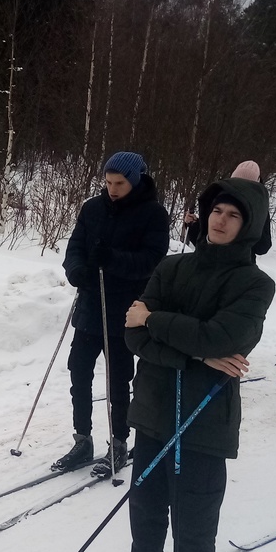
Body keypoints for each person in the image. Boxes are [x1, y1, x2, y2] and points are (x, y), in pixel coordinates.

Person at [99, 177, 274, 552]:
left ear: (249, 226)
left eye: (234, 215)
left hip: (203, 418)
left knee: (195, 516)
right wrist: (196, 350)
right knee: (147, 504)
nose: (221, 220)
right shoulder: (171, 266)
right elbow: (132, 336)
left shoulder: (255, 283)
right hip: (155, 407)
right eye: (217, 210)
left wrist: (157, 324)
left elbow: (224, 336)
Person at [52, 151, 168, 478]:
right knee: (79, 371)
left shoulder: (153, 214)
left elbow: (151, 260)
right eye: (108, 182)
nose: (112, 188)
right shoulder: (92, 208)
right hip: (91, 303)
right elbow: (75, 247)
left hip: (125, 309)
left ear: (135, 180)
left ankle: (118, 442)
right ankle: (82, 439)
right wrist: (76, 271)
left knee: (118, 379)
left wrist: (112, 258)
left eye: (119, 183)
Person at [183, 160, 273, 256]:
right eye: (236, 184)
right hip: (207, 261)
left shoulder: (258, 209)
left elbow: (263, 247)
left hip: (239, 265)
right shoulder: (218, 199)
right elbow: (203, 238)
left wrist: (244, 236)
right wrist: (192, 224)